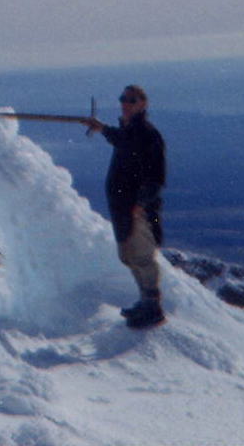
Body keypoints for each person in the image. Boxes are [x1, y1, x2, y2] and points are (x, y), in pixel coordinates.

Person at [85, 85, 167, 328]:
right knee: (129, 255)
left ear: (143, 104)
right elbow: (121, 139)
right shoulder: (131, 132)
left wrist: (141, 203)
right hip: (122, 207)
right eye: (123, 99)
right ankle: (145, 302)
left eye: (131, 100)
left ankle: (153, 307)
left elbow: (156, 177)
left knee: (142, 255)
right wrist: (101, 128)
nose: (125, 103)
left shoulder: (148, 134)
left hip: (137, 208)